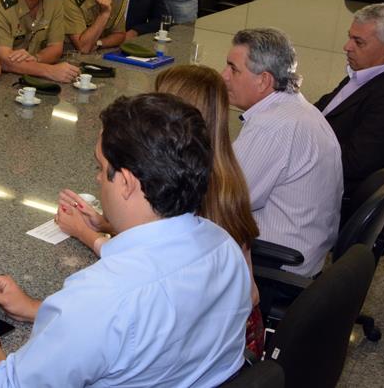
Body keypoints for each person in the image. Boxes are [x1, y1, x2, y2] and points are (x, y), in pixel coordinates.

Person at [0, 94, 250, 387]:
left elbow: (4, 384)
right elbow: (139, 330)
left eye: (100, 168)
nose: (96, 179)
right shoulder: (224, 246)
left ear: (126, 183)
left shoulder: (103, 296)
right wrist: (35, 308)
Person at [57, 65, 264, 357]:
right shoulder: (225, 176)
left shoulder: (195, 189)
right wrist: (107, 223)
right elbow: (168, 241)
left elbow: (155, 271)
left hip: (224, 340)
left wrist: (86, 234)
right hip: (233, 334)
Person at [222, 28, 342, 277]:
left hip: (275, 263)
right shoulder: (298, 108)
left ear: (264, 80)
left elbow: (226, 199)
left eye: (233, 69)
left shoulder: (271, 126)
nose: (224, 76)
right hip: (308, 251)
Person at [315, 3, 384, 195]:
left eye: (358, 42)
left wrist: (297, 148)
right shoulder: (363, 74)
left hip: (329, 193)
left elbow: (353, 164)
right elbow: (318, 113)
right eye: (349, 37)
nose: (347, 47)